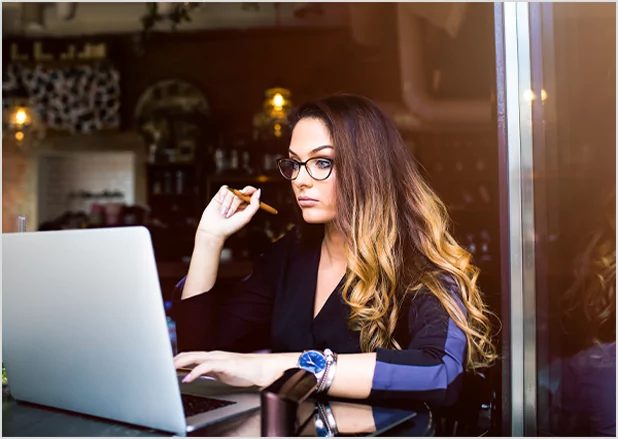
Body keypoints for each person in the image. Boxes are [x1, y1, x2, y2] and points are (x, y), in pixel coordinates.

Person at [172, 94, 497, 406]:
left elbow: (439, 373)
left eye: (322, 162)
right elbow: (197, 359)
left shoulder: (418, 263)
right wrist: (209, 238)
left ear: (367, 168)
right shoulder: (289, 256)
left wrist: (292, 367)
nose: (300, 179)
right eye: (295, 164)